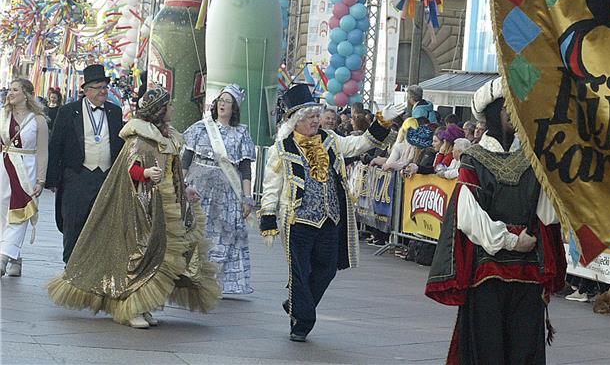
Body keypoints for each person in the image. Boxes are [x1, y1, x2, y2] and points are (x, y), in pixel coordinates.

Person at [48, 87, 220, 328]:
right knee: (141, 255)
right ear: (159, 111)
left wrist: (186, 190)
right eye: (168, 105)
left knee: (161, 257)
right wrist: (146, 173)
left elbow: (174, 172)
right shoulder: (140, 139)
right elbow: (130, 170)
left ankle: (146, 305)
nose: (171, 109)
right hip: (143, 205)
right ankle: (130, 307)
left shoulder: (169, 137)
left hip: (167, 203)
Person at [426, 77, 566, 365]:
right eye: (508, 110)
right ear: (492, 113)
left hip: (528, 269)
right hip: (488, 268)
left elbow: (547, 212)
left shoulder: (532, 158)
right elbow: (469, 217)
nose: (514, 116)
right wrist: (513, 240)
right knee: (488, 347)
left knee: (525, 346)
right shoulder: (474, 159)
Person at [259, 84, 404, 342]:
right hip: (298, 220)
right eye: (310, 116)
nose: (317, 120)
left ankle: (297, 304)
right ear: (296, 120)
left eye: (317, 115)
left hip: (330, 218)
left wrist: (382, 121)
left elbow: (361, 144)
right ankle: (303, 321)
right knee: (300, 272)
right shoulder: (280, 149)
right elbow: (271, 186)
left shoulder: (331, 140)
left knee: (327, 269)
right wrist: (268, 218)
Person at [182, 84, 257, 295]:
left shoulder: (241, 133)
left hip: (227, 190)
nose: (223, 105)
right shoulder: (200, 128)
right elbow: (186, 160)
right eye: (221, 100)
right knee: (196, 229)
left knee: (225, 234)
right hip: (199, 186)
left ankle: (216, 279)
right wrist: (179, 183)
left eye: (228, 102)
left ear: (235, 108)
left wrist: (247, 197)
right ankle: (191, 275)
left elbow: (244, 168)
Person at [46, 64, 123, 262]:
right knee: (73, 223)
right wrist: (52, 179)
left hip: (106, 177)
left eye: (105, 87)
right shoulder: (68, 111)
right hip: (77, 175)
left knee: (103, 224)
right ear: (86, 90)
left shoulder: (115, 112)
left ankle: (95, 269)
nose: (103, 91)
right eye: (98, 87)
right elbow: (55, 145)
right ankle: (70, 266)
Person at [0, 79, 48, 277]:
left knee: (20, 212)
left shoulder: (38, 120)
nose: (10, 93)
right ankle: (15, 257)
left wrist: (41, 180)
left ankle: (2, 258)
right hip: (4, 167)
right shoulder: (3, 116)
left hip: (27, 170)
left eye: (15, 90)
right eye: (10, 89)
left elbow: (43, 152)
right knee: (3, 214)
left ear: (26, 94)